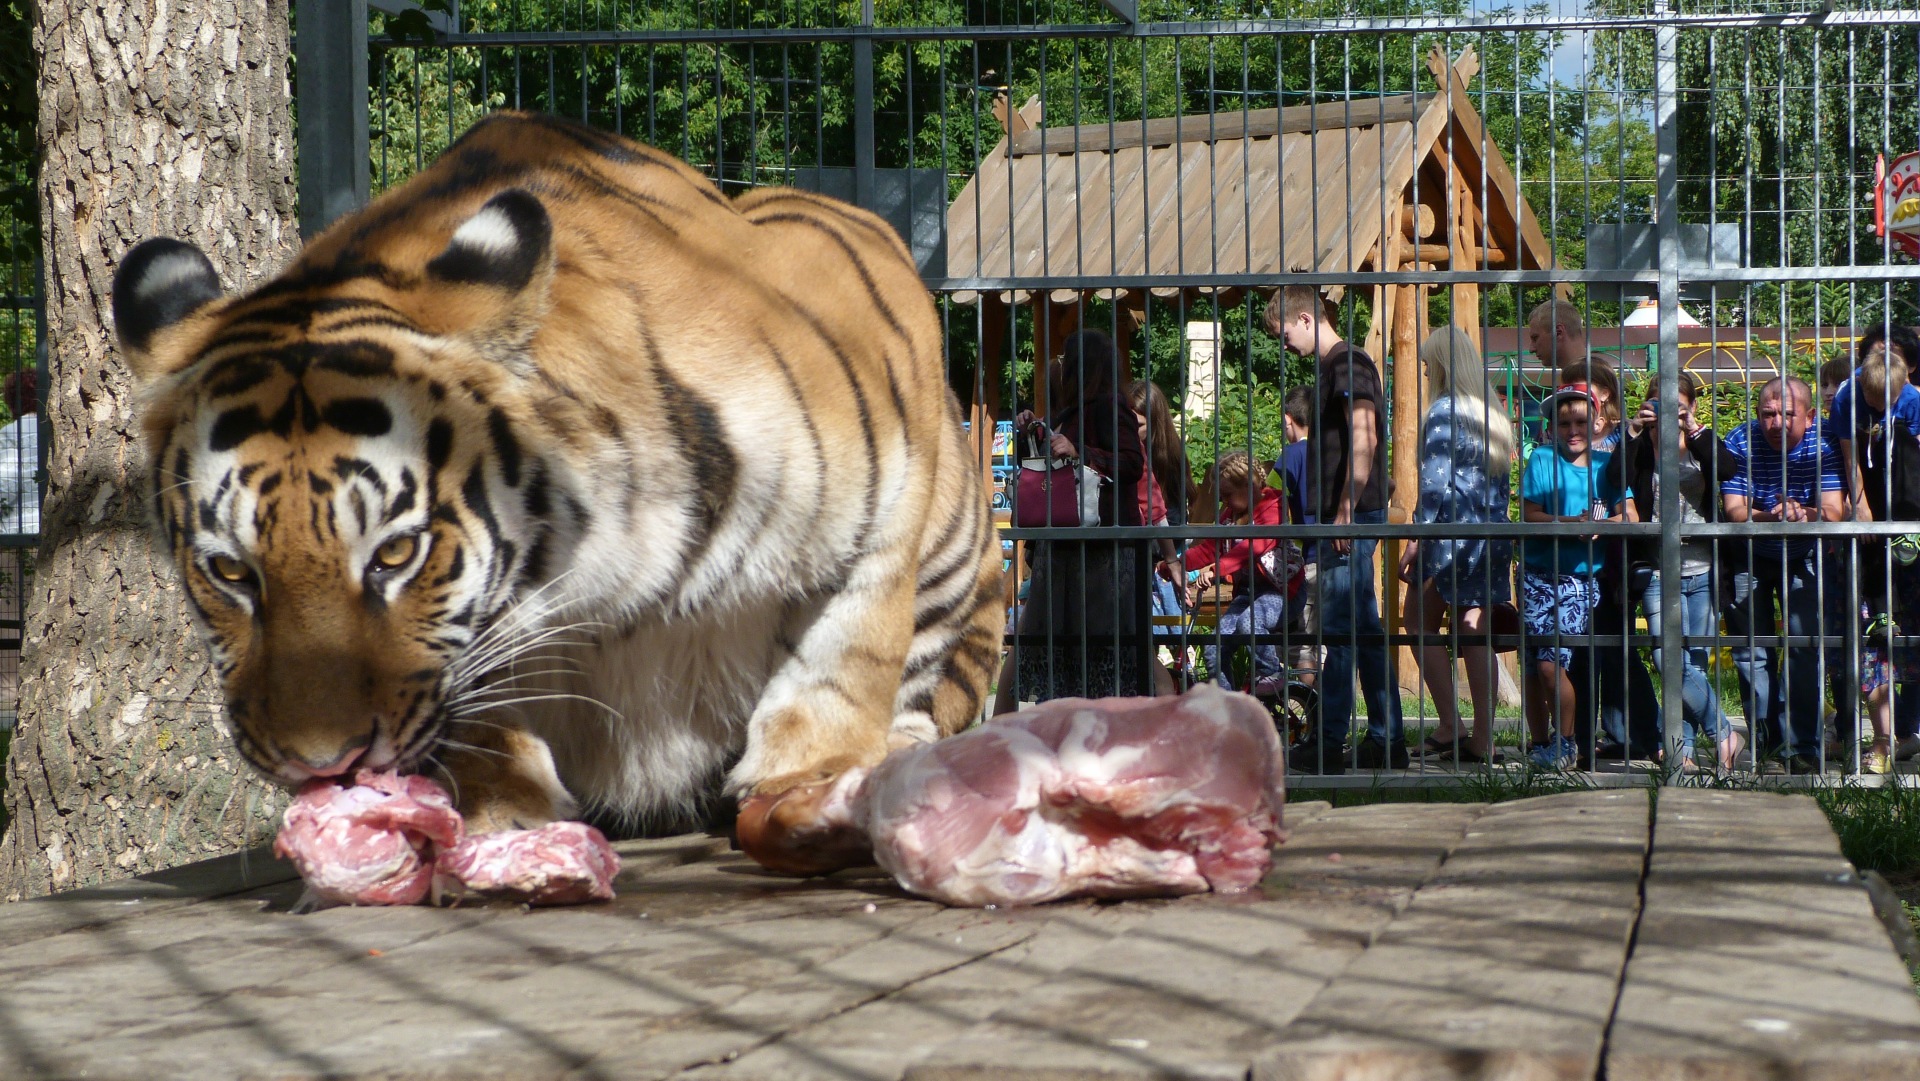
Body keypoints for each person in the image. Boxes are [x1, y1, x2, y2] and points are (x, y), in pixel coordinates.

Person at [1264, 284, 1403, 773]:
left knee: (1341, 629)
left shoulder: (1347, 363)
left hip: (1347, 519)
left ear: (1306, 319)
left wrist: (1345, 507)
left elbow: (1365, 435)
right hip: (1347, 515)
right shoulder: (1338, 366)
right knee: (1362, 629)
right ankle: (1387, 739)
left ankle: (1328, 741)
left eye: (1284, 335)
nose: (1284, 346)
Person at [999, 329, 1148, 708]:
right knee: (1064, 648)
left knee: (1099, 649)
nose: (1062, 367)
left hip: (1101, 554)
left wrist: (1081, 450)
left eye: (1068, 359)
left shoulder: (1111, 407)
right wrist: (1034, 432)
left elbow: (1132, 463)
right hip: (1067, 551)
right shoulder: (1069, 411)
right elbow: (1052, 471)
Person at [1612, 373, 1743, 773]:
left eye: (1678, 405)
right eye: (1660, 404)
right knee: (1667, 658)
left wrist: (1692, 427)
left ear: (1691, 406)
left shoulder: (1701, 443)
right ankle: (1725, 735)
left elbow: (1727, 469)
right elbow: (1613, 479)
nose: (1669, 413)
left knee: (1693, 664)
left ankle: (1682, 752)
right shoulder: (1639, 447)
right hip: (1657, 570)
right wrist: (1634, 430)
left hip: (1704, 569)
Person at [1396, 326, 1514, 765]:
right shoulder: (1491, 413)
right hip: (1489, 536)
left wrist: (1417, 537)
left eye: (1429, 365)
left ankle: (1451, 723)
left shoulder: (1444, 411)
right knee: (1474, 631)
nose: (1427, 373)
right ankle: (1482, 736)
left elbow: (1434, 486)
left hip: (1449, 536)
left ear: (1444, 365)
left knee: (1416, 622)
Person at [1721, 376, 1848, 773]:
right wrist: (1773, 516)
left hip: (1805, 552)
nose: (1775, 423)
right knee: (1751, 651)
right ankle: (1768, 745)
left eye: (1786, 414)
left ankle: (1802, 747)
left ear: (1810, 417)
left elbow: (1834, 512)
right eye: (1767, 414)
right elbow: (1734, 512)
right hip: (1749, 552)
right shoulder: (1740, 440)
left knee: (1804, 647)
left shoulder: (1826, 442)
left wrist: (1801, 514)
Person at [1520, 386, 1629, 770]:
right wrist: (1568, 523)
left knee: (1552, 664)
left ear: (1597, 422)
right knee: (1534, 665)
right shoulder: (1541, 459)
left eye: (1580, 422)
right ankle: (1540, 743)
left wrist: (1600, 526)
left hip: (1580, 579)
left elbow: (1628, 514)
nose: (1572, 430)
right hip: (1536, 575)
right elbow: (1529, 513)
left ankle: (1566, 742)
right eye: (1564, 423)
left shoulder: (1607, 466)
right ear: (1552, 426)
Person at [1826, 342, 1920, 763]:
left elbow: (1916, 463)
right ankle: (1876, 740)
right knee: (1869, 633)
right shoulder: (1847, 396)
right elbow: (1851, 458)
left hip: (1904, 492)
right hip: (1866, 483)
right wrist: (1861, 507)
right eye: (1875, 400)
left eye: (1889, 400)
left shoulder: (1913, 401)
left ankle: (1907, 731)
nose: (1881, 407)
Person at [1163, 450, 1291, 698]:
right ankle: (1227, 704)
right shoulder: (1230, 517)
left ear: (1249, 486)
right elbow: (1210, 548)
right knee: (1213, 647)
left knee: (1249, 623)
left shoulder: (1273, 507)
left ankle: (1272, 672)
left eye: (1227, 495)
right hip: (1247, 595)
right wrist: (1176, 564)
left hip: (1279, 592)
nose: (1224, 502)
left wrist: (1216, 569)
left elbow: (1253, 547)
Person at [1127, 379, 1190, 695]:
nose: (1129, 430)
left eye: (1137, 424)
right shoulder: (1127, 451)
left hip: (1157, 561)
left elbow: (1172, 520)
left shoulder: (1170, 460)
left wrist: (1166, 558)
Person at [1273, 386, 1320, 688]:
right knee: (1325, 643)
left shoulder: (1290, 455)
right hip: (1337, 556)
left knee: (1299, 645)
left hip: (1305, 562)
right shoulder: (1332, 452)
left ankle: (1305, 706)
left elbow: (1268, 498)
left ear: (1288, 418)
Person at [0, 370, 37, 535]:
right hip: (54, 530)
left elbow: (5, 486)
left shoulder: (8, 434)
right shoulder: (55, 432)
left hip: (15, 532)